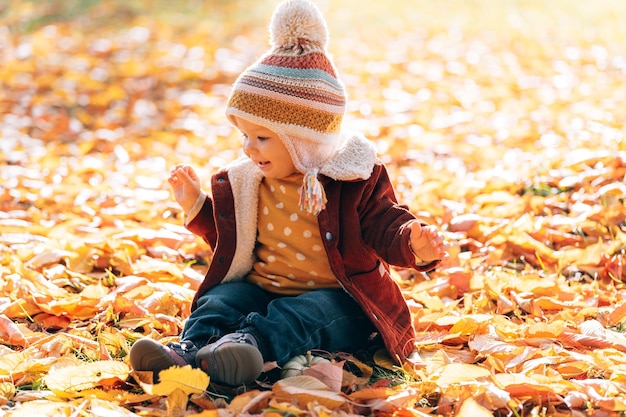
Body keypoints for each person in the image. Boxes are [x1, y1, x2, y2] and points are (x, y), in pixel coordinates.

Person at [129, 0, 449, 387]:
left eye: (263, 138)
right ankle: (188, 349)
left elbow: (385, 224)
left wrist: (415, 244)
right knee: (224, 299)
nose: (250, 148)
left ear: (305, 142)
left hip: (338, 301)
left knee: (303, 314)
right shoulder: (251, 182)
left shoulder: (352, 181)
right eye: (245, 135)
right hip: (262, 289)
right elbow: (233, 239)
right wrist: (196, 205)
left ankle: (248, 348)